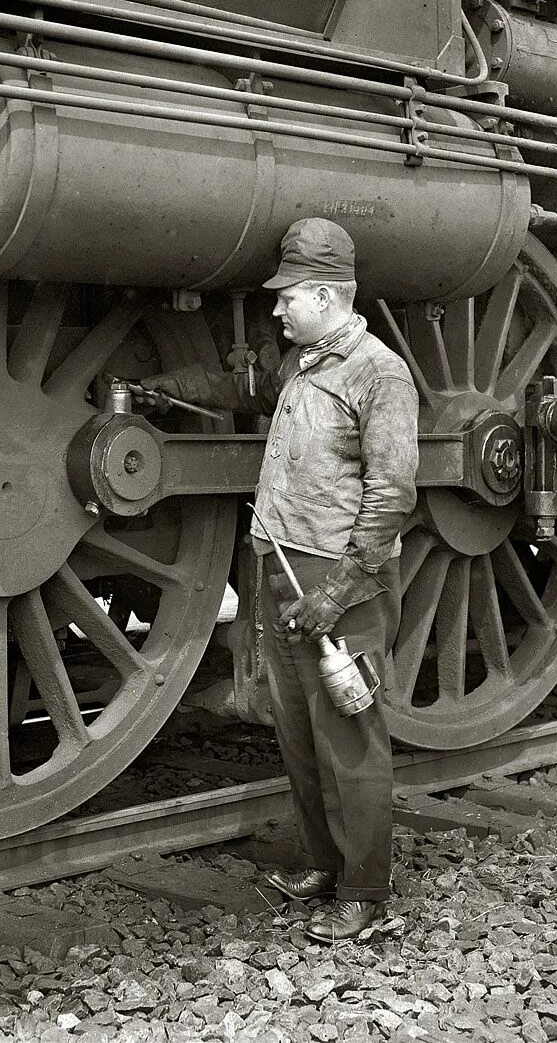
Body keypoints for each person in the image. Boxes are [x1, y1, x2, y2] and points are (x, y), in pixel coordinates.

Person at [141, 218, 419, 941]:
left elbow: (393, 494)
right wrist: (157, 389)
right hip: (283, 568)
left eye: (289, 296)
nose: (276, 308)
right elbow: (240, 384)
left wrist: (338, 590)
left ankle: (364, 889)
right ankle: (323, 864)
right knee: (298, 732)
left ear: (326, 296)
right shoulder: (298, 364)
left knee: (352, 738)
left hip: (336, 578)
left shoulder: (378, 373)